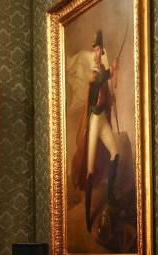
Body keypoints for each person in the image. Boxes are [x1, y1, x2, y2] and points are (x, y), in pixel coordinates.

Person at [70, 30, 120, 234]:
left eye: (99, 49)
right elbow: (96, 81)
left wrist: (112, 73)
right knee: (89, 169)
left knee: (116, 153)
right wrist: (111, 71)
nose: (97, 53)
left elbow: (108, 87)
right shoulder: (94, 71)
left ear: (102, 49)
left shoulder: (102, 67)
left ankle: (110, 196)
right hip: (93, 121)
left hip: (103, 122)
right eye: (95, 50)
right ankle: (88, 216)